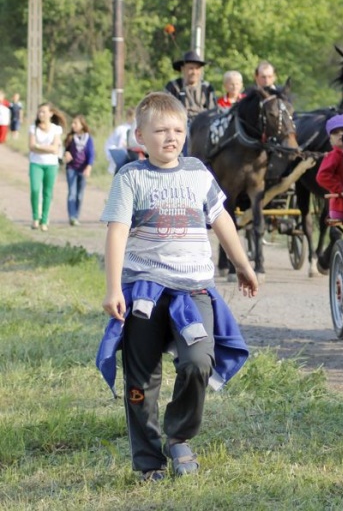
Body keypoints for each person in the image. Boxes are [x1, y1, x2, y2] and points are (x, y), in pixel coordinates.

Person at [97, 92, 258, 481]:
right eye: (160, 131)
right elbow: (116, 232)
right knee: (141, 379)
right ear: (140, 136)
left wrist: (243, 264)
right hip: (144, 292)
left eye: (178, 130)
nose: (171, 137)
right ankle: (148, 460)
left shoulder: (198, 172)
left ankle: (180, 436)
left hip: (193, 291)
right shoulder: (130, 177)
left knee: (198, 360)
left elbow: (221, 219)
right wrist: (114, 288)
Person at [165, 51, 217, 157]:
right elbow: (166, 110)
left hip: (204, 123)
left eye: (197, 68)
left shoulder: (207, 87)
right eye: (191, 68)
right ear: (182, 69)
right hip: (180, 123)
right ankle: (185, 160)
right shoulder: (173, 86)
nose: (194, 72)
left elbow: (213, 110)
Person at [28, 103, 67, 231]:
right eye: (39, 112)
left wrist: (39, 146)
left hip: (51, 164)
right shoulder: (33, 128)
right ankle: (35, 217)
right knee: (35, 190)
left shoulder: (56, 129)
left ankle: (44, 220)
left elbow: (55, 148)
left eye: (44, 112)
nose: (41, 114)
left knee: (47, 192)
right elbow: (31, 146)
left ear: (50, 113)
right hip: (36, 163)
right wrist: (47, 148)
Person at [62, 114, 95, 226]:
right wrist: (66, 154)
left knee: (80, 195)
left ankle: (76, 216)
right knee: (72, 193)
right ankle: (72, 217)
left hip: (83, 169)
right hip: (71, 168)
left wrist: (89, 167)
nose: (73, 125)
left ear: (82, 125)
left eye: (75, 123)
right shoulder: (71, 138)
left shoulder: (88, 138)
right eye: (72, 123)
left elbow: (91, 154)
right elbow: (64, 150)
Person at [105, 108, 135, 175]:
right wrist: (113, 157)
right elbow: (110, 144)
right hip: (122, 161)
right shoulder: (121, 129)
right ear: (128, 116)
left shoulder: (139, 130)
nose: (135, 119)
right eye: (133, 116)